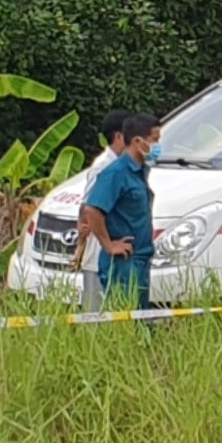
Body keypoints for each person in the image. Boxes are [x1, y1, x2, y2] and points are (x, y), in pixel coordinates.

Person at [81, 114, 161, 311]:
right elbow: (92, 209)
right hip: (123, 262)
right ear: (137, 141)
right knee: (123, 319)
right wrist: (108, 245)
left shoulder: (140, 170)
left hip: (139, 258)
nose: (158, 146)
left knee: (140, 321)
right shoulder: (115, 172)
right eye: (155, 140)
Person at [72, 109, 131, 308]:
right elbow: (88, 207)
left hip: (119, 248)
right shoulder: (103, 167)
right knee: (96, 311)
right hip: (100, 251)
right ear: (119, 136)